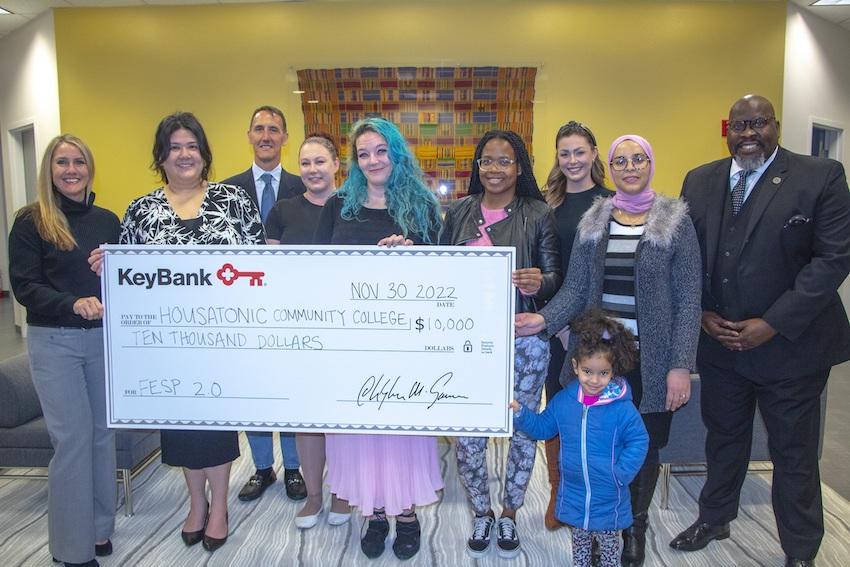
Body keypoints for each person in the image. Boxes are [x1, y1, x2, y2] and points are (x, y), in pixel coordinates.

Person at [670, 95, 850, 567]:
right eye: (740, 125)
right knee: (723, 437)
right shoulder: (700, 179)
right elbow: (689, 257)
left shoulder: (819, 176)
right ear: (727, 129)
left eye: (759, 124)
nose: (749, 133)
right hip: (721, 343)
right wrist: (703, 314)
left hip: (791, 347)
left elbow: (832, 261)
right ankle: (715, 517)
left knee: (794, 454)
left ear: (775, 125)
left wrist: (772, 324)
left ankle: (800, 550)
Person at [516, 134, 701, 567]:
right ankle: (599, 524)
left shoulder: (675, 219)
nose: (631, 167)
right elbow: (577, 286)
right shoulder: (596, 218)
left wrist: (680, 366)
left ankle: (633, 529)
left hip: (652, 361)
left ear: (650, 163)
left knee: (644, 445)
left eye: (639, 159)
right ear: (611, 168)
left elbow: (690, 298)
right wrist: (543, 320)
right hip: (600, 359)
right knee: (595, 445)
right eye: (622, 161)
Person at [100, 111, 265, 553]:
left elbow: (259, 269)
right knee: (183, 427)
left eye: (192, 145)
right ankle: (195, 503)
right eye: (175, 147)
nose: (184, 154)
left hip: (223, 340)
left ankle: (220, 508)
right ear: (162, 156)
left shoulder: (234, 201)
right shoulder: (141, 210)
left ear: (204, 153)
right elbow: (128, 278)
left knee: (216, 426)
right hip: (168, 344)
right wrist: (106, 268)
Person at [313, 117, 443, 561]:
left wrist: (415, 254)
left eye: (380, 150)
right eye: (363, 153)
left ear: (396, 152)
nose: (372, 160)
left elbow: (446, 279)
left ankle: (406, 514)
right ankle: (375, 513)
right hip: (352, 343)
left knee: (401, 430)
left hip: (406, 344)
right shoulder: (338, 206)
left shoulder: (423, 206)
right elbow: (317, 271)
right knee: (362, 431)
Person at [441, 130, 562, 559]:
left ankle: (509, 512)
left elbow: (555, 277)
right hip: (467, 343)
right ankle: (481, 512)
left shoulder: (538, 212)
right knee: (469, 434)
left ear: (519, 167)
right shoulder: (457, 212)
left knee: (521, 431)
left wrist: (539, 281)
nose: (494, 169)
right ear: (477, 167)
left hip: (523, 340)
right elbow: (440, 273)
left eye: (504, 161)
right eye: (487, 161)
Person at [9, 135, 119, 567]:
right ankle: (71, 551)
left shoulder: (108, 220)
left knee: (101, 435)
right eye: (61, 162)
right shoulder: (31, 221)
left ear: (90, 167)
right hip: (54, 342)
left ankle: (98, 530)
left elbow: (126, 278)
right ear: (49, 171)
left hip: (101, 342)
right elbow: (25, 287)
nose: (71, 170)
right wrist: (71, 303)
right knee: (72, 441)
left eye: (79, 162)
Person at [511, 308, 648, 567]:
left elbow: (639, 440)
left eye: (603, 373)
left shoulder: (622, 408)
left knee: (609, 552)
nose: (595, 380)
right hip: (574, 492)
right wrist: (521, 415)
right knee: (581, 550)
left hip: (608, 493)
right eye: (588, 371)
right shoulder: (565, 401)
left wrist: (620, 473)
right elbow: (542, 428)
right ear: (575, 366)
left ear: (613, 371)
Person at [221, 105, 307, 503]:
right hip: (243, 306)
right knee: (253, 388)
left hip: (290, 306)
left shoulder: (302, 186)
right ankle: (261, 468)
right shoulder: (225, 191)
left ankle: (293, 468)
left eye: (274, 129)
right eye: (259, 129)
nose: (267, 135)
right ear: (249, 135)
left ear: (285, 138)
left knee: (288, 386)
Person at [266, 133, 352, 529]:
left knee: (343, 417)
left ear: (337, 164)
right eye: (305, 163)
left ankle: (342, 492)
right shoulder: (282, 211)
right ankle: (314, 496)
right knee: (306, 417)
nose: (313, 170)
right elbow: (270, 274)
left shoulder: (355, 207)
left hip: (347, 327)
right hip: (297, 328)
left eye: (320, 161)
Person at [541, 120, 614, 530]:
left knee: (597, 415)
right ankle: (559, 494)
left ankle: (597, 498)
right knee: (561, 411)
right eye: (564, 153)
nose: (572, 160)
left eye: (579, 151)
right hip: (555, 325)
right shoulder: (547, 205)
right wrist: (558, 322)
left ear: (594, 152)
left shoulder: (612, 202)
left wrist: (584, 323)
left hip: (597, 327)